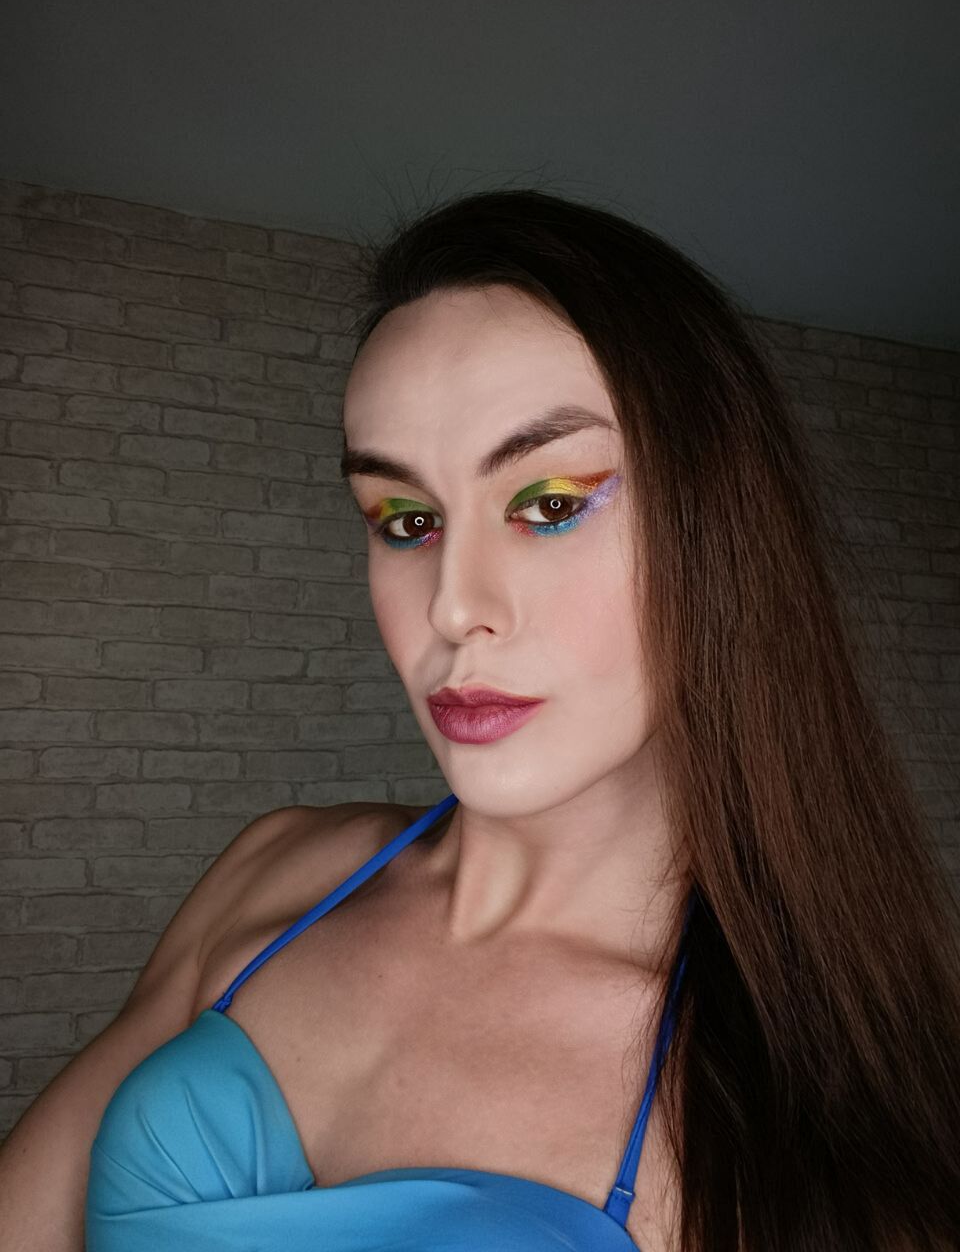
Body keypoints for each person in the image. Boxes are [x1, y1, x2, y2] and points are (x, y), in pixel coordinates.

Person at [1, 188, 958, 1252]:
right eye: (406, 519)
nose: (454, 607)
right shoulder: (280, 869)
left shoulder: (810, 1122)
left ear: (719, 532)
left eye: (549, 504)